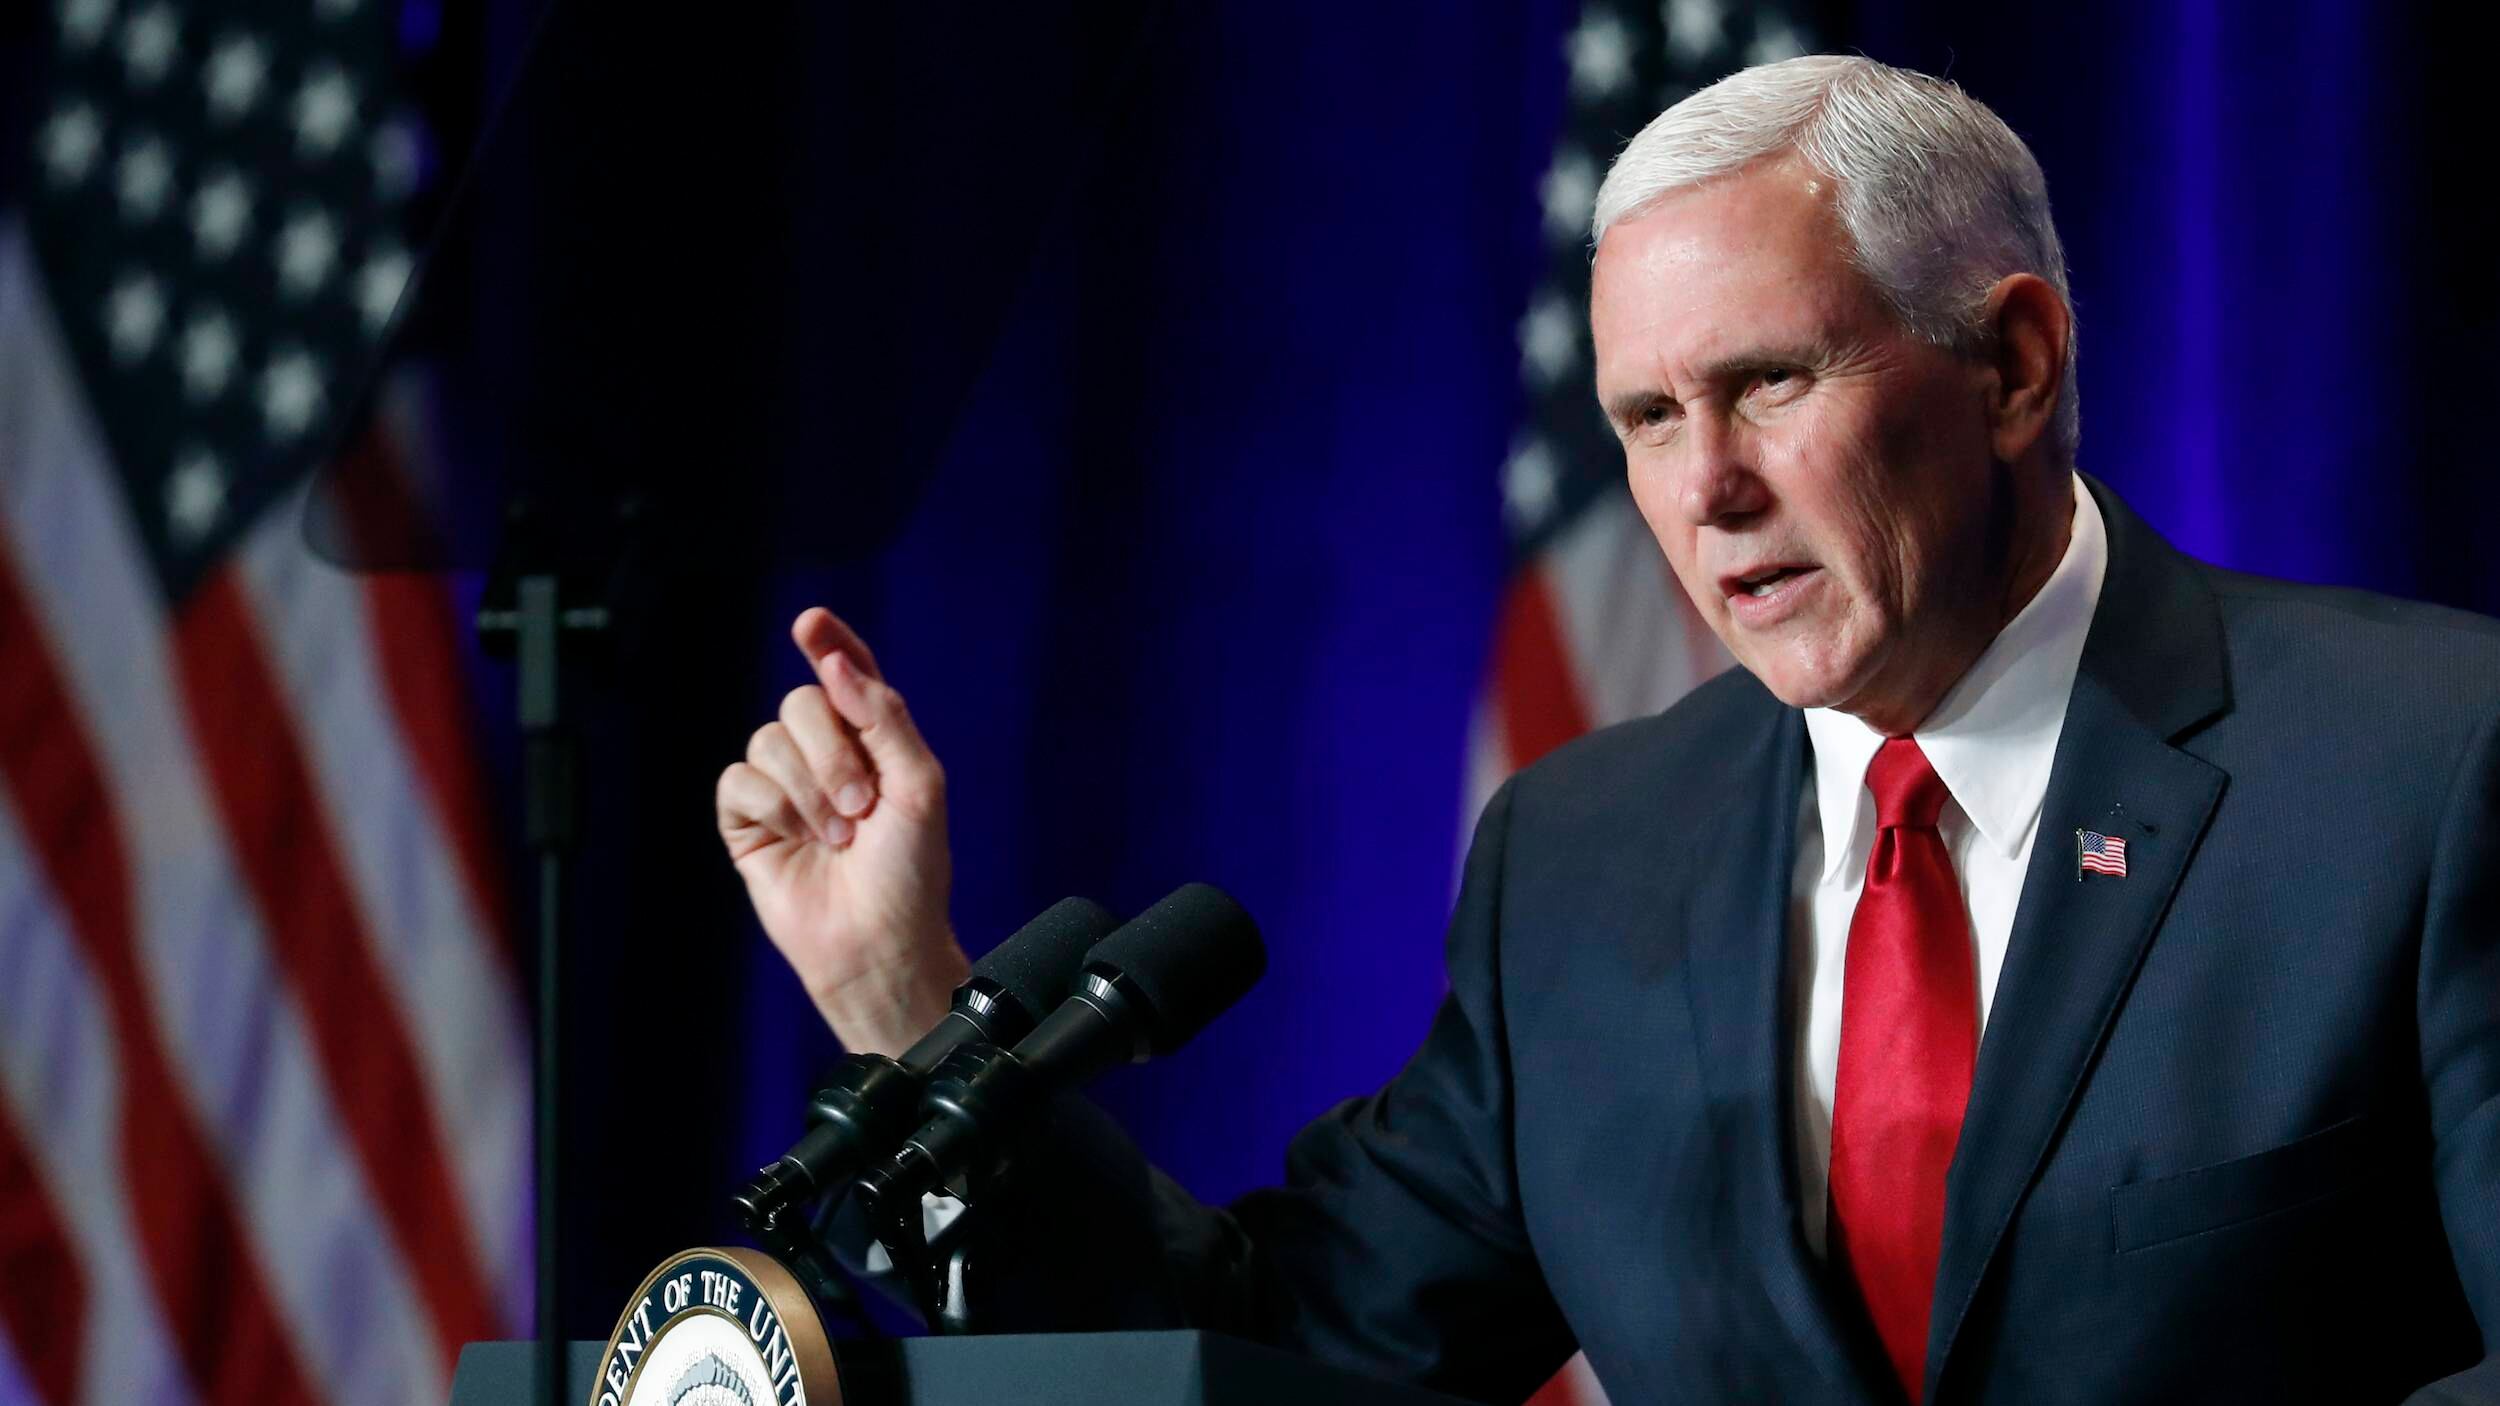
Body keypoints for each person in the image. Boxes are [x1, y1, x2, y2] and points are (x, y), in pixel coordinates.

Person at [714, 56, 2500, 1406]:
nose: (1705, 489)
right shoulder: (1584, 861)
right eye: (1647, 417)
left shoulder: (2425, 766)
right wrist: (901, 991)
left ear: (2014, 365)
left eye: (1769, 381)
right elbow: (1284, 1353)